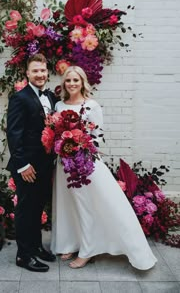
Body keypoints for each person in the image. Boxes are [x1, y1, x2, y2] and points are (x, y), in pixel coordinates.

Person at [50, 65, 157, 270]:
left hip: (85, 165)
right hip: (64, 164)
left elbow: (96, 138)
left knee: (86, 205)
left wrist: (78, 146)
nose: (72, 83)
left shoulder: (92, 106)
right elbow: (55, 134)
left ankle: (88, 251)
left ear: (82, 82)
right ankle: (71, 242)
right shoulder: (59, 107)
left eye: (76, 80)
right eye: (68, 80)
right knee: (67, 205)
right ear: (63, 83)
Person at [6, 53, 57, 272]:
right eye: (35, 70)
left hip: (45, 165)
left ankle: (35, 246)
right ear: (27, 73)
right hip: (27, 166)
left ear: (47, 72)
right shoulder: (20, 98)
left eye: (43, 70)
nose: (40, 74)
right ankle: (23, 256)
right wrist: (23, 165)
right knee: (26, 210)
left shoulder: (51, 97)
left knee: (37, 209)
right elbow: (14, 134)